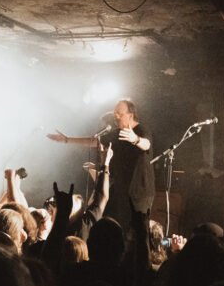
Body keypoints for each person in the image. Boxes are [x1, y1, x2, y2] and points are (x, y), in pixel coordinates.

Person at [47, 99, 154, 231]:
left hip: (140, 192)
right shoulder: (117, 133)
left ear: (130, 115)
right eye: (115, 113)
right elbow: (94, 141)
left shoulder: (141, 129)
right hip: (122, 190)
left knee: (138, 230)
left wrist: (135, 139)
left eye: (120, 113)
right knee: (121, 228)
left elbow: (146, 144)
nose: (116, 116)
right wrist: (67, 140)